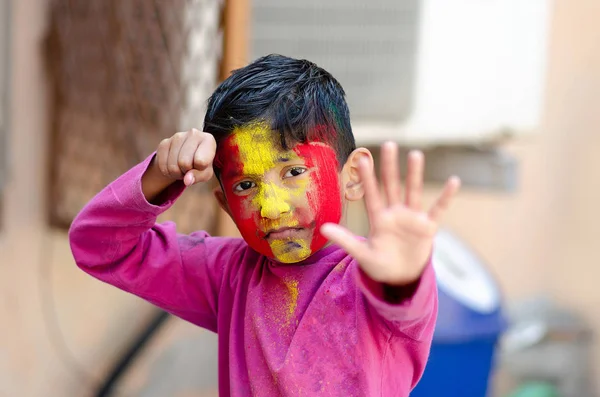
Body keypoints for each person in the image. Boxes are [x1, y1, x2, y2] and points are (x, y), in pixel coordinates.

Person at [69, 54, 460, 396]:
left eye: (293, 171)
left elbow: (402, 301)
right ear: (224, 203)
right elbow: (99, 244)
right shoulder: (227, 275)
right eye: (246, 184)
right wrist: (161, 172)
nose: (270, 208)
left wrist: (405, 277)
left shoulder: (371, 283)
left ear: (352, 176)